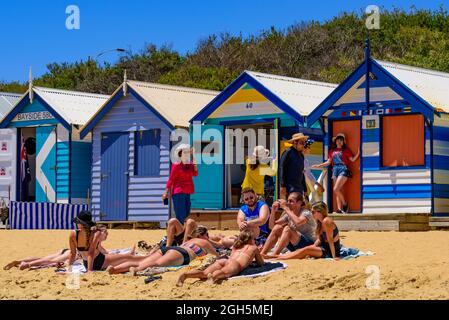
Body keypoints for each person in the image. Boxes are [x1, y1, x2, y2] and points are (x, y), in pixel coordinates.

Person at [107, 226, 218, 275]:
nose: (208, 237)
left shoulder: (189, 241)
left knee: (141, 261)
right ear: (201, 235)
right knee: (156, 264)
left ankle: (115, 269)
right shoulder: (204, 242)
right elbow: (217, 255)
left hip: (171, 248)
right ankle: (136, 270)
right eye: (206, 235)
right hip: (182, 254)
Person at [176, 230, 264, 286]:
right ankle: (213, 277)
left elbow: (232, 256)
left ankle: (186, 275)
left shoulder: (236, 245)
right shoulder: (254, 248)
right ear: (250, 239)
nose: (254, 240)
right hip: (236, 264)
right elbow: (261, 263)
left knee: (204, 273)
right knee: (224, 272)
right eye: (253, 239)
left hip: (225, 260)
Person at [68, 211, 137, 272]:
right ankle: (131, 256)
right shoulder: (95, 233)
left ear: (80, 223)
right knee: (126, 258)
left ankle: (129, 254)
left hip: (86, 263)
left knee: (115, 256)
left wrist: (69, 269)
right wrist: (89, 270)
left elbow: (72, 253)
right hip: (100, 261)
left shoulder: (73, 234)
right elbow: (91, 253)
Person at [272, 201, 341, 260]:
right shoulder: (320, 222)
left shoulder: (326, 221)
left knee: (306, 250)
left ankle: (280, 257)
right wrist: (313, 246)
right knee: (304, 249)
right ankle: (277, 256)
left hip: (330, 251)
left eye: (313, 212)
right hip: (324, 248)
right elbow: (320, 240)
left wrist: (334, 256)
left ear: (319, 212)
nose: (311, 213)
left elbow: (330, 240)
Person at [312, 133, 360, 213]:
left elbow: (352, 160)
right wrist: (319, 165)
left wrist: (358, 153)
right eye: (338, 140)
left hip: (343, 169)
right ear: (335, 141)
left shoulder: (346, 150)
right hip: (335, 170)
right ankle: (339, 209)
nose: (339, 142)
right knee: (338, 190)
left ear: (343, 142)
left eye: (341, 140)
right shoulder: (332, 151)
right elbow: (329, 162)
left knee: (336, 189)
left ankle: (345, 204)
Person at [260, 192, 316, 258]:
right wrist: (273, 211)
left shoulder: (306, 213)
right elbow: (272, 226)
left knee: (287, 229)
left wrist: (285, 208)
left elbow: (298, 222)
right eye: (288, 201)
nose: (288, 203)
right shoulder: (289, 214)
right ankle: (262, 253)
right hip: (295, 245)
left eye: (291, 201)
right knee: (277, 228)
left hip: (308, 245)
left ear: (299, 203)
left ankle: (274, 254)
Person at [162, 144, 198, 224]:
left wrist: (194, 156)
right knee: (180, 214)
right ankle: (177, 232)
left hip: (187, 191)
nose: (186, 154)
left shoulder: (190, 165)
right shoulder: (176, 165)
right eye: (184, 152)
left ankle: (175, 229)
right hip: (178, 192)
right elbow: (171, 179)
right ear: (180, 154)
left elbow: (195, 174)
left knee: (187, 212)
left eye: (188, 152)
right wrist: (166, 192)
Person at [279, 133, 308, 199]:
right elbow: (282, 168)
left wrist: (305, 189)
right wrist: (282, 186)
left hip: (299, 187)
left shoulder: (301, 156)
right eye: (301, 143)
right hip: (289, 187)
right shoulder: (288, 152)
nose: (303, 145)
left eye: (304, 143)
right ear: (295, 142)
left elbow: (301, 173)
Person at [3, 249, 73, 270]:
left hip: (66, 250)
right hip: (71, 253)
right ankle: (28, 264)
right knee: (51, 262)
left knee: (43, 259)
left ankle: (18, 261)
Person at [302, 138, 325, 203]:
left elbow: (308, 175)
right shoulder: (301, 160)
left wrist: (318, 185)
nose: (310, 149)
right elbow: (308, 175)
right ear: (304, 148)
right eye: (308, 147)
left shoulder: (305, 161)